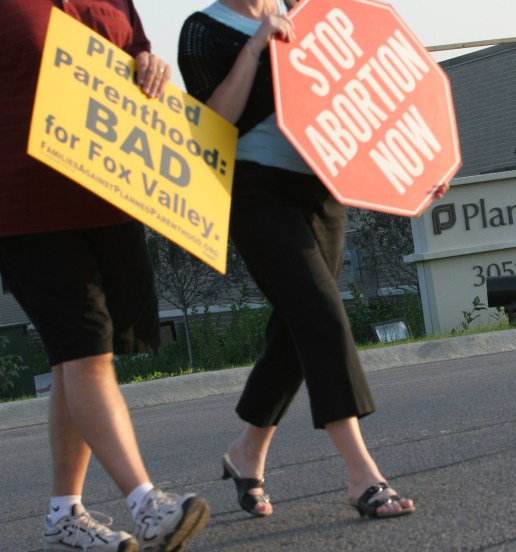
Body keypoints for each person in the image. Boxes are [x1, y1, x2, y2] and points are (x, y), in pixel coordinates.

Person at [178, 0, 448, 520]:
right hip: (256, 194)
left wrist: (420, 162)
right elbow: (212, 123)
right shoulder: (202, 30)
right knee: (321, 316)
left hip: (324, 186)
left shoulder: (308, 11)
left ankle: (247, 452)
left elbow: (370, 88)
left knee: (296, 327)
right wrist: (255, 47)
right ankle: (362, 474)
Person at [0, 2, 210, 550]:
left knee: (76, 359)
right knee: (87, 350)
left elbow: (136, 53)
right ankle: (147, 504)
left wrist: (149, 64)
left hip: (111, 195)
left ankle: (63, 515)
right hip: (27, 206)